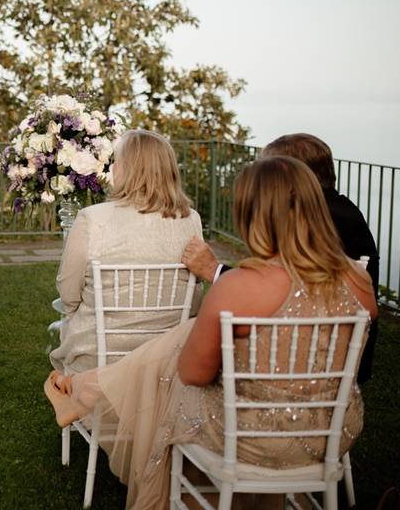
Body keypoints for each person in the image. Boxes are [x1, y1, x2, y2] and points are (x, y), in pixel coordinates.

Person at [45, 156, 376, 509]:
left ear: (253, 216)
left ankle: (88, 388)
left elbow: (194, 373)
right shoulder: (359, 280)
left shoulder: (239, 286)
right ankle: (91, 387)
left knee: (172, 372)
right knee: (180, 340)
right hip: (330, 434)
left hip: (247, 439)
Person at [182, 133, 380, 383]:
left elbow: (292, 295)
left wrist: (216, 271)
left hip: (302, 367)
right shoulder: (339, 214)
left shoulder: (322, 222)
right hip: (333, 374)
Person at [49, 129, 203, 374]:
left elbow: (68, 295)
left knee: (70, 320)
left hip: (97, 355)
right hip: (167, 355)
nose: (113, 169)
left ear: (126, 169)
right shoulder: (191, 219)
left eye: (117, 162)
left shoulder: (92, 218)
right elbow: (194, 295)